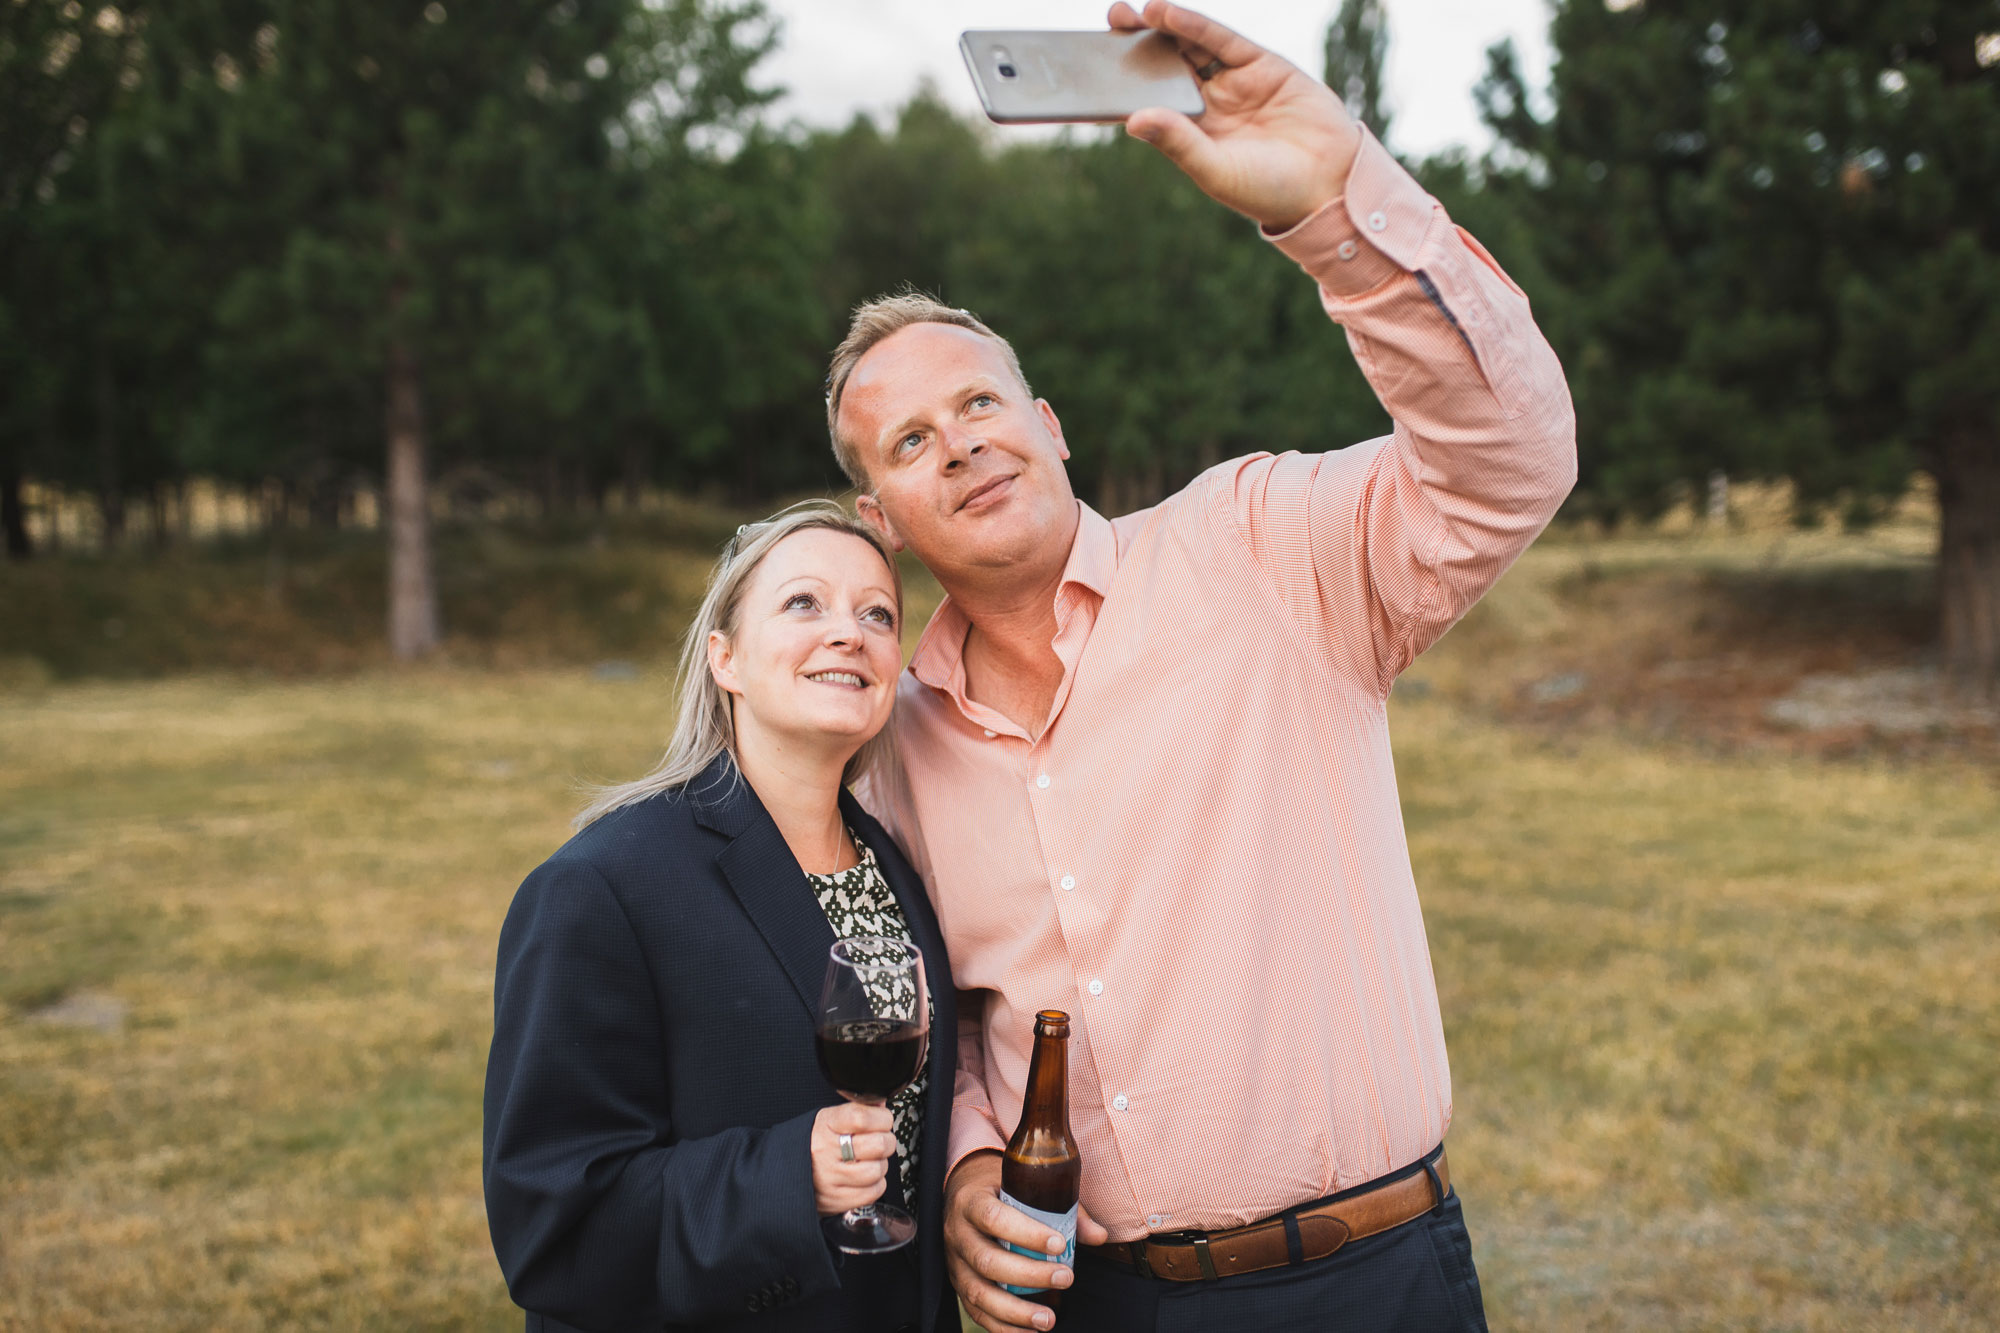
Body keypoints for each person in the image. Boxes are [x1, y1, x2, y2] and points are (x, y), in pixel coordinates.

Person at [828, 4, 1577, 1331]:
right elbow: (930, 1014)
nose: (958, 444)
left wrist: (1337, 211)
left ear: (1050, 429)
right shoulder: (884, 745)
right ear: (883, 516)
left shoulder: (1258, 544)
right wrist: (964, 1165)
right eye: (909, 441)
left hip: (1360, 1281)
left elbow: (1510, 463)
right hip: (1086, 1300)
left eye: (982, 402)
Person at [482, 502, 959, 1333]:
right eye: (804, 603)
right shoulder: (603, 887)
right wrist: (788, 1176)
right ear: (725, 658)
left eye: (877, 613)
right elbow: (551, 1225)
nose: (848, 632)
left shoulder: (898, 869)